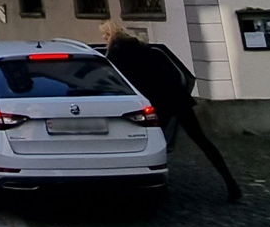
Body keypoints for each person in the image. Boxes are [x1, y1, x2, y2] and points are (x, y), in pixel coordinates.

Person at [100, 20, 242, 203]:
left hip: (158, 103)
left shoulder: (116, 54)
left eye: (105, 36)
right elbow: (174, 73)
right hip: (177, 98)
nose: (104, 39)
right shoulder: (147, 49)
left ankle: (161, 187)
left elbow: (114, 79)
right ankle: (231, 183)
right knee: (201, 140)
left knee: (157, 144)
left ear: (110, 35)